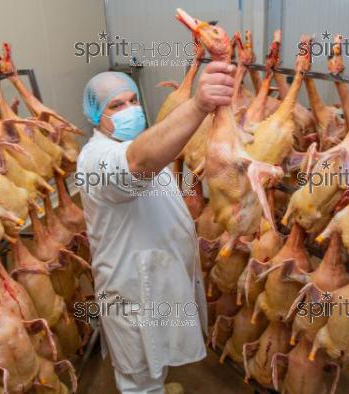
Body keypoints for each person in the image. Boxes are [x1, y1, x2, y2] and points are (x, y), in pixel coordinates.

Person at [77, 61, 235, 394]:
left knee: (154, 357)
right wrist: (197, 105)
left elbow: (162, 168)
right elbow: (138, 165)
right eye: (116, 106)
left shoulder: (137, 141)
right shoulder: (97, 159)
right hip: (132, 286)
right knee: (137, 374)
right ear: (94, 115)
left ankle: (157, 387)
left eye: (133, 100)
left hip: (155, 277)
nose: (129, 110)